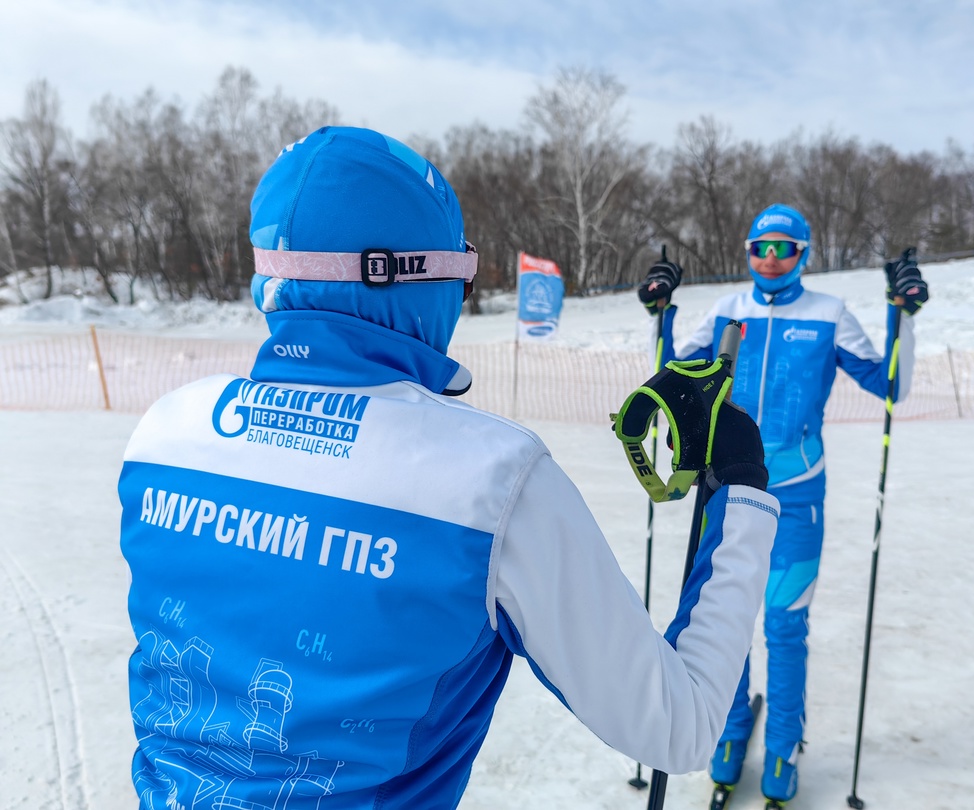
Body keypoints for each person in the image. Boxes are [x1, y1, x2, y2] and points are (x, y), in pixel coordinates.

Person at [118, 126, 780, 810]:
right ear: (413, 279)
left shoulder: (165, 431)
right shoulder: (491, 480)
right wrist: (741, 485)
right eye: (461, 274)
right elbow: (681, 726)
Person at [638, 203, 928, 806]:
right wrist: (660, 312)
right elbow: (671, 372)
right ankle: (730, 730)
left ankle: (783, 746)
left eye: (784, 248)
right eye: (759, 247)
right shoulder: (728, 311)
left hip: (797, 492)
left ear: (804, 254)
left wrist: (901, 313)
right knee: (727, 623)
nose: (770, 258)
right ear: (747, 252)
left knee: (784, 624)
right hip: (728, 489)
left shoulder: (829, 313)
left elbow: (889, 384)